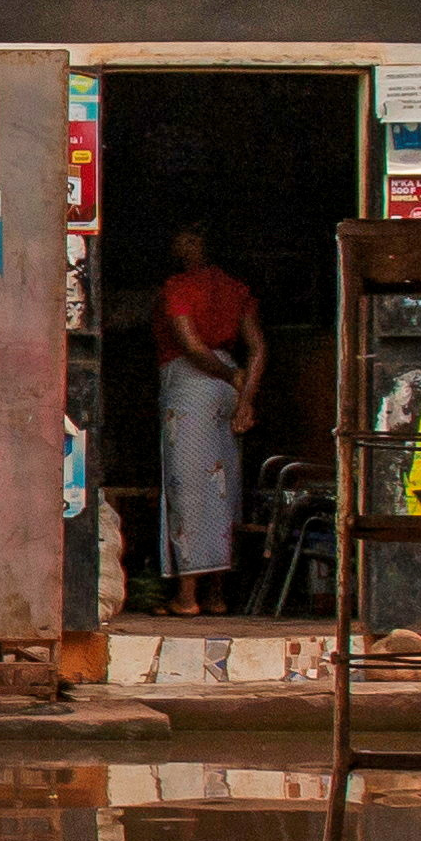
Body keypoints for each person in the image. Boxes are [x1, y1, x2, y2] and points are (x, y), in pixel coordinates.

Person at [152, 223, 266, 616]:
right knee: (224, 487)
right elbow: (257, 348)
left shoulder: (178, 286)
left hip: (193, 386)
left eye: (186, 237)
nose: (178, 243)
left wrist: (228, 377)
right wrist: (245, 395)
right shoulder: (236, 288)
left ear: (197, 245)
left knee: (190, 488)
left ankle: (187, 596)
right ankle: (217, 594)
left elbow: (191, 346)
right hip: (229, 386)